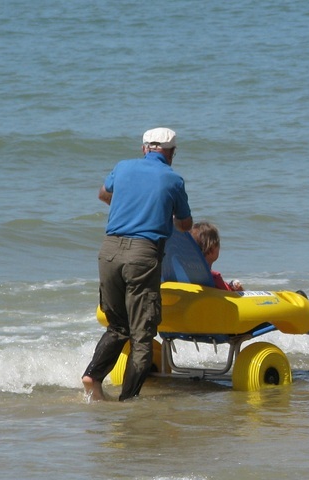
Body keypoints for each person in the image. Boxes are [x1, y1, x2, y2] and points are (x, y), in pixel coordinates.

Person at [82, 127, 193, 401]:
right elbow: (185, 223)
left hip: (108, 252)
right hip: (142, 257)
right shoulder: (173, 179)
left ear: (144, 148)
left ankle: (92, 376)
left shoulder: (122, 167)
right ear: (172, 153)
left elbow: (103, 194)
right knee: (142, 335)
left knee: (118, 326)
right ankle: (127, 401)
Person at [190, 221, 309, 318]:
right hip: (235, 319)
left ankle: (301, 303)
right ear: (213, 250)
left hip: (201, 320)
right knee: (277, 304)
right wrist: (238, 291)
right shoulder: (214, 278)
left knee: (288, 299)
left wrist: (231, 286)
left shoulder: (188, 278)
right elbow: (232, 300)